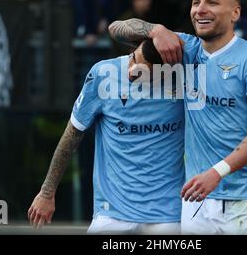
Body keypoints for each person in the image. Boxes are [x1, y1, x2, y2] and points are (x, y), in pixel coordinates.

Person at [109, 0, 247, 234]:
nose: (200, 9)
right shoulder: (185, 48)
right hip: (196, 201)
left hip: (245, 200)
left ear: (235, 13)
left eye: (211, 2)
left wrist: (216, 173)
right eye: (196, 2)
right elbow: (116, 29)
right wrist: (157, 30)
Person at [28, 40, 185, 234]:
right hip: (111, 214)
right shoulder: (104, 74)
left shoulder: (184, 81)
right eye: (133, 58)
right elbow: (72, 134)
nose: (131, 71)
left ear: (163, 73)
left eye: (141, 72)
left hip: (167, 216)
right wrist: (47, 192)